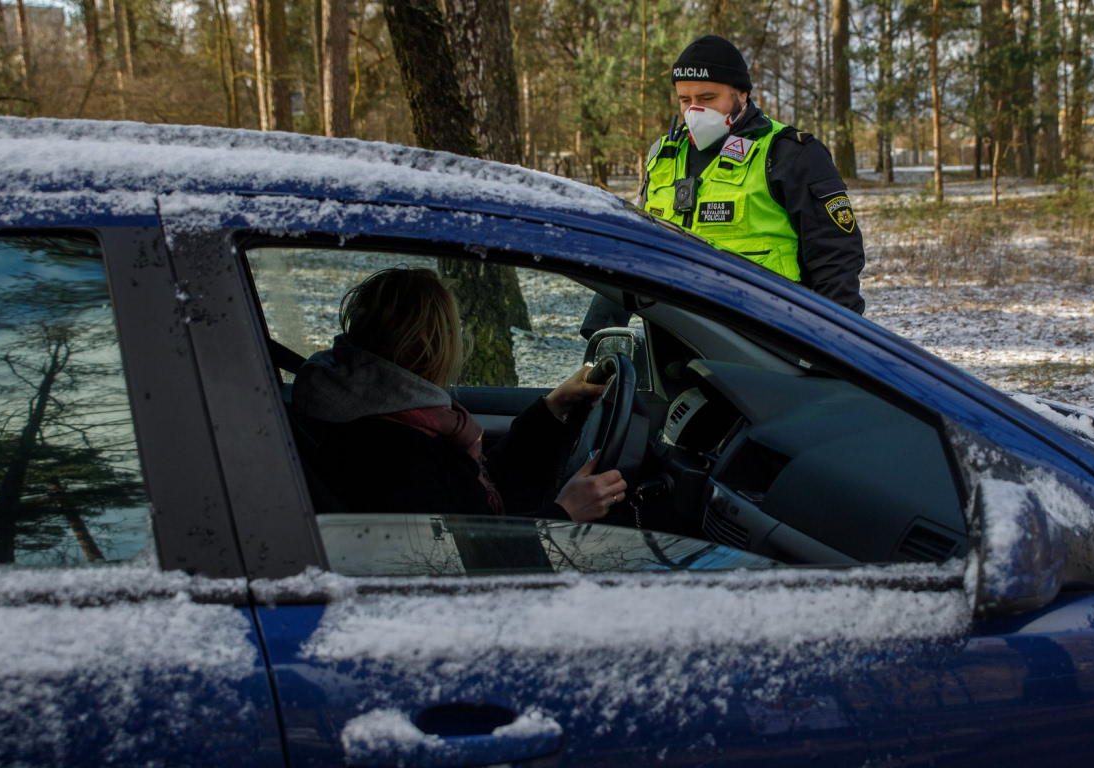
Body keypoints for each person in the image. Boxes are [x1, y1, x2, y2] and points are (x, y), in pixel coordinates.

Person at [581, 34, 865, 338]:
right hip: (672, 346)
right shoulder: (664, 155)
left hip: (765, 349)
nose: (695, 111)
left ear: (741, 94)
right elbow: (639, 249)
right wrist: (600, 336)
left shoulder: (790, 154)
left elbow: (835, 259)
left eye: (707, 99)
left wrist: (838, 348)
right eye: (685, 100)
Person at [291, 267, 626, 521]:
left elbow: (479, 489)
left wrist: (554, 406)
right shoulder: (395, 453)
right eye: (454, 330)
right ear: (430, 348)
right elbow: (465, 563)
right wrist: (565, 512)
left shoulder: (389, 418)